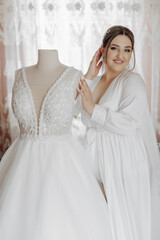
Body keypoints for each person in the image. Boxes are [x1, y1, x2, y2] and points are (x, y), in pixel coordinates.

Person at [0, 49, 112, 240]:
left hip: (62, 165)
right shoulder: (20, 75)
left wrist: (89, 77)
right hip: (20, 165)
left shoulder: (74, 77)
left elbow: (76, 107)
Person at [78, 25, 160, 240]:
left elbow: (130, 123)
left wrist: (94, 110)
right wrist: (88, 75)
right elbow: (75, 109)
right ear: (102, 50)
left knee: (122, 222)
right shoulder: (96, 81)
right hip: (96, 157)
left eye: (127, 50)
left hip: (124, 160)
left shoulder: (132, 81)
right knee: (98, 220)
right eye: (115, 48)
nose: (121, 55)